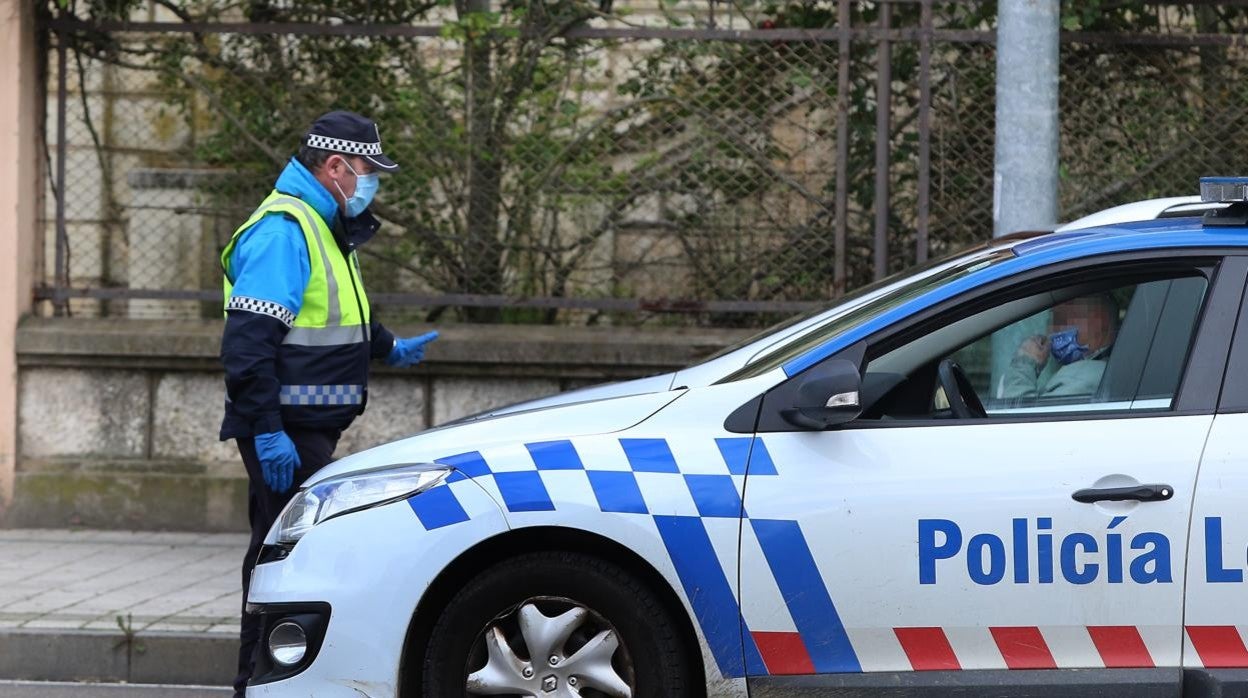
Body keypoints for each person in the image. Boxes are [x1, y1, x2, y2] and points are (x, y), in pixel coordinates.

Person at [219, 110, 439, 697]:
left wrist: (387, 345)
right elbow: (247, 346)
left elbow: (331, 312)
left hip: (303, 428)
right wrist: (267, 429)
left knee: (280, 548)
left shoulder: (321, 224)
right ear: (337, 165)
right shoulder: (284, 231)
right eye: (367, 170)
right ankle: (258, 682)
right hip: (286, 431)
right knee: (288, 558)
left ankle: (267, 679)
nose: (372, 183)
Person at [1002, 293, 1119, 400]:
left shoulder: (1083, 376)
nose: (1052, 332)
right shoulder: (1113, 368)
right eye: (1051, 322)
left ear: (1098, 322)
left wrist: (1025, 363)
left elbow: (1022, 417)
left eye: (1060, 320)